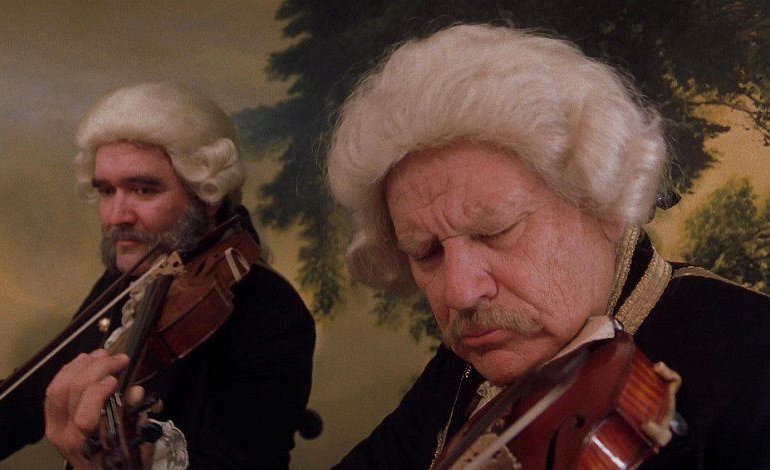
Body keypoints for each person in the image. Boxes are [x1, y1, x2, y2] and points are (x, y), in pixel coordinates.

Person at [326, 25, 770, 469]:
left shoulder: (753, 358)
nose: (459, 292)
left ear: (605, 205)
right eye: (426, 252)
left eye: (496, 230)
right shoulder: (468, 362)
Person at [0, 82, 316, 469]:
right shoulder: (135, 277)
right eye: (106, 191)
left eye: (144, 190)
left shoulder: (270, 312)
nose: (117, 216)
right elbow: (27, 399)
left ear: (208, 193)